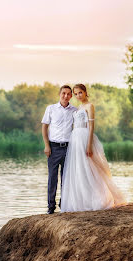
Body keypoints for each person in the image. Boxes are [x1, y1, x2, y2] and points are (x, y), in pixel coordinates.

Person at [60, 84, 126, 212]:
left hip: (84, 137)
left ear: (85, 92)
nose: (78, 96)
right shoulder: (78, 107)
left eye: (80, 93)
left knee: (90, 167)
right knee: (79, 169)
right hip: (75, 139)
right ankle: (82, 201)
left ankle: (99, 198)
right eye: (76, 94)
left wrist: (89, 145)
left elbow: (91, 126)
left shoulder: (90, 106)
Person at [41, 85, 77, 214]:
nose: (66, 96)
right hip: (53, 148)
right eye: (63, 93)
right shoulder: (50, 109)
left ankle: (64, 205)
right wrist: (47, 145)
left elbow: (78, 129)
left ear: (71, 96)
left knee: (66, 179)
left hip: (68, 148)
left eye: (68, 94)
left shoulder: (75, 111)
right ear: (59, 94)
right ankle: (51, 207)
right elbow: (44, 127)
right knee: (52, 178)